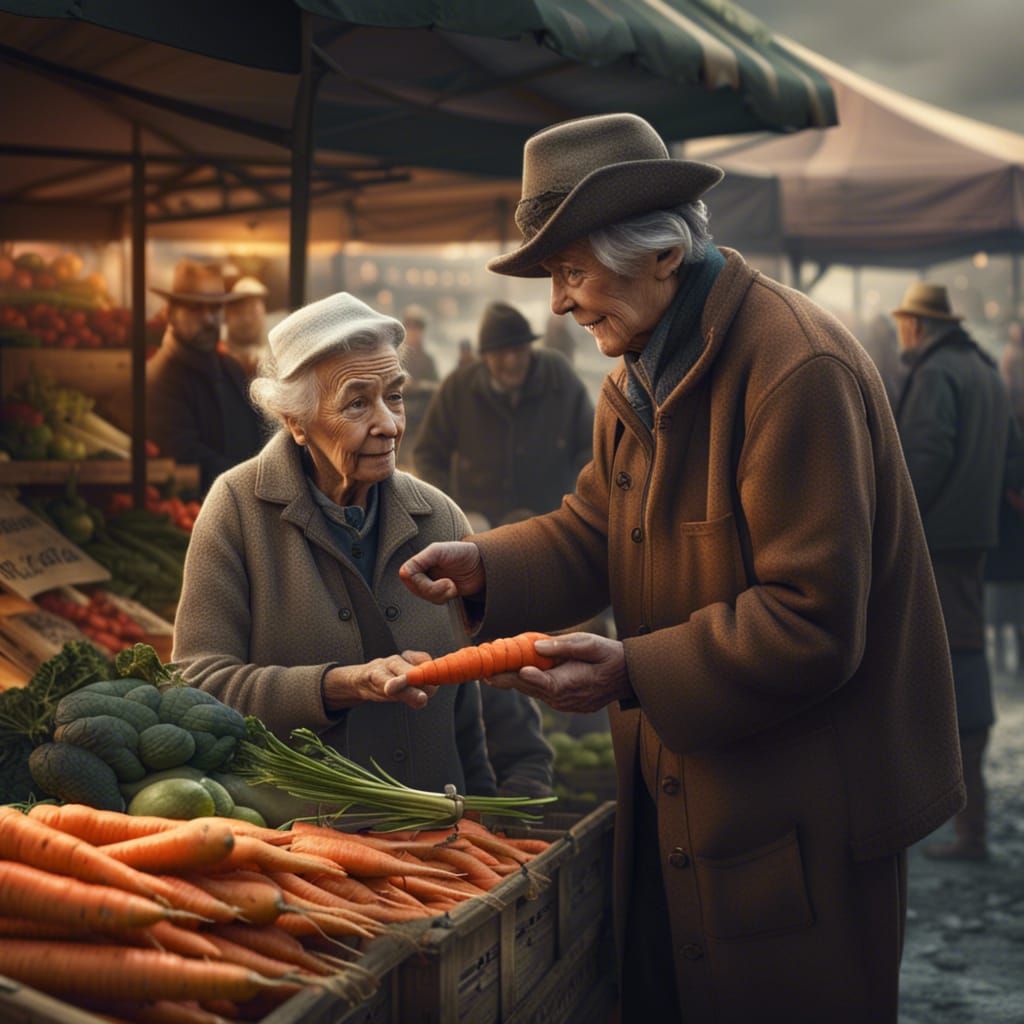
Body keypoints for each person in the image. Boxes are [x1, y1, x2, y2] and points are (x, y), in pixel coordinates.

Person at [395, 113, 964, 1023]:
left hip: (801, 801)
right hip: (697, 784)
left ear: (660, 254)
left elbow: (811, 618)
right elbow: (597, 525)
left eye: (571, 270)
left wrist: (632, 670)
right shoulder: (638, 370)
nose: (559, 305)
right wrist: (486, 568)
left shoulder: (792, 369)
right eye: (553, 276)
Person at [172, 292, 495, 800]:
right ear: (296, 423)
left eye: (396, 395)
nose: (389, 424)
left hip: (439, 844)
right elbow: (197, 686)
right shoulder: (237, 509)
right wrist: (338, 685)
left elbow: (467, 713)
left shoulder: (440, 518)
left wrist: (483, 812)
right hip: (299, 846)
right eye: (357, 402)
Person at [893, 283, 1024, 861]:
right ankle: (960, 816)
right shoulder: (986, 371)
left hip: (937, 542)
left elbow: (923, 457)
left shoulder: (936, 373)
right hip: (972, 540)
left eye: (904, 322)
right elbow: (1014, 459)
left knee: (955, 665)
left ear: (918, 325)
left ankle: (967, 823)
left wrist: (894, 525)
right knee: (958, 659)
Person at [413, 301, 594, 526]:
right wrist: (451, 510)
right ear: (485, 356)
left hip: (551, 524)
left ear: (530, 348)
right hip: (480, 528)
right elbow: (427, 455)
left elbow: (592, 448)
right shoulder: (458, 387)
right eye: (501, 353)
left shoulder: (559, 377)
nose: (511, 361)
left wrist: (581, 505)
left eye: (518, 350)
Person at [146, 260, 264, 495]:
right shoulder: (158, 380)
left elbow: (258, 433)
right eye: (196, 308)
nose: (209, 319)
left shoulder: (231, 369)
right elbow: (184, 455)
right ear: (170, 314)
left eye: (215, 308)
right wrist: (256, 483)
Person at [223, 275, 270, 379]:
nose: (247, 319)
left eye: (253, 312)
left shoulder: (271, 344)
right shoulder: (221, 344)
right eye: (240, 312)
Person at [398, 304, 439, 382]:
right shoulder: (396, 359)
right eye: (409, 326)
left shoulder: (427, 361)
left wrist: (416, 385)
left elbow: (435, 386)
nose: (413, 332)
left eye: (417, 327)